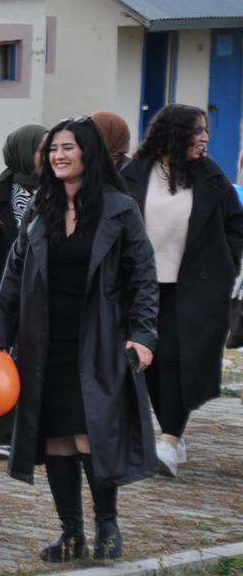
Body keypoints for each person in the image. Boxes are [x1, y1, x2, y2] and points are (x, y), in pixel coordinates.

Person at [0, 116, 159, 561]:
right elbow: (13, 277)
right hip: (44, 342)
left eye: (67, 148)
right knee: (55, 438)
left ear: (88, 152)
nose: (57, 156)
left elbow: (143, 277)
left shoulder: (119, 209)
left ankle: (107, 526)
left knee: (90, 435)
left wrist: (143, 336)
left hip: (100, 340)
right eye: (52, 150)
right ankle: (70, 532)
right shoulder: (39, 210)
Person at [120, 104, 243, 477]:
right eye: (198, 131)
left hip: (195, 290)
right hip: (141, 289)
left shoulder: (209, 176)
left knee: (179, 361)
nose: (205, 137)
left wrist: (225, 264)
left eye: (205, 130)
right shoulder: (135, 174)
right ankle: (168, 431)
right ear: (174, 133)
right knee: (148, 365)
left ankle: (170, 439)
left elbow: (235, 224)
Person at [0, 123, 46, 460]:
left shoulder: (61, 191)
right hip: (12, 293)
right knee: (10, 359)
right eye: (41, 148)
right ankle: (5, 436)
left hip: (50, 294)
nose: (48, 156)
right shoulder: (2, 196)